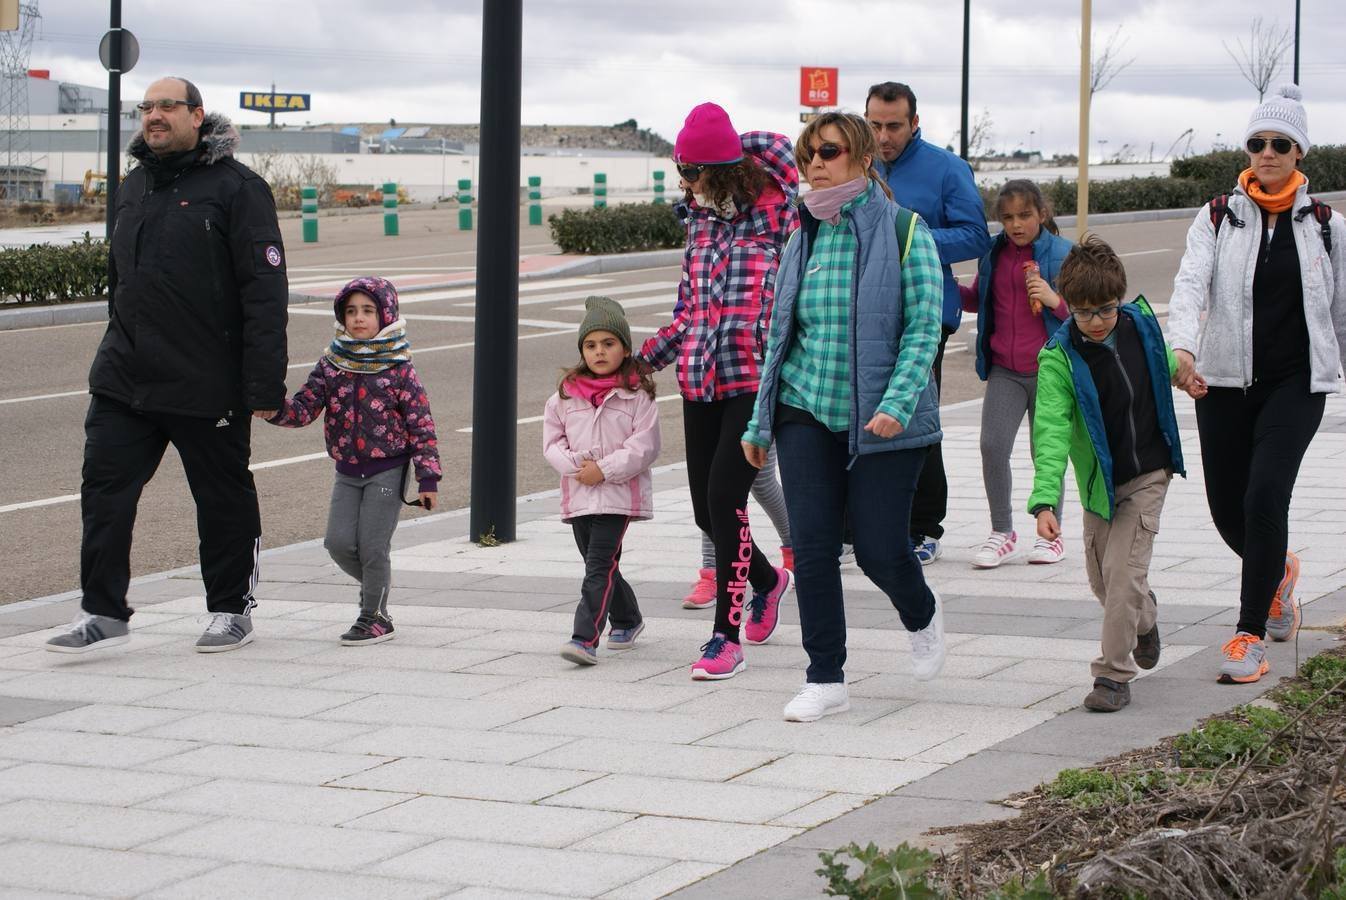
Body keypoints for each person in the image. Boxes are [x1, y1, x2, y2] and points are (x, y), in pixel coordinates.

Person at [47, 77, 288, 655]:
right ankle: (104, 612)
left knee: (222, 497)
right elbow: (123, 282)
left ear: (197, 115)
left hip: (207, 381)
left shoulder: (238, 189)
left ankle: (231, 609)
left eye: (167, 106)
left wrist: (263, 383)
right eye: (146, 107)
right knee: (104, 492)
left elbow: (265, 290)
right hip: (125, 378)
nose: (154, 116)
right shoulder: (134, 186)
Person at [743, 112, 946, 723]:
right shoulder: (801, 233)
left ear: (862, 159)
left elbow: (923, 326)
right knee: (812, 546)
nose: (814, 165)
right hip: (805, 412)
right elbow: (781, 337)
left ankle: (923, 613)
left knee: (882, 550)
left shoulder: (906, 230)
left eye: (827, 152)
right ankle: (825, 675)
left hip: (885, 421)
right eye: (807, 155)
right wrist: (760, 422)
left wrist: (896, 402)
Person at [1168, 84, 1346, 685]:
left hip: (1297, 384)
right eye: (1257, 143)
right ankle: (1279, 574)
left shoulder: (1327, 226)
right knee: (1226, 509)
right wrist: (1183, 350)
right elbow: (1192, 283)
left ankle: (1248, 636)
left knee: (1265, 496)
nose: (1266, 153)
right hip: (1221, 381)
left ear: (1299, 152)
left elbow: (1342, 313)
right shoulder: (1218, 216)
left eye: (1279, 143)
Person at [638, 102, 796, 680]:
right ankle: (767, 580)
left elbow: (782, 157)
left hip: (753, 382)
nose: (685, 183)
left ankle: (724, 639)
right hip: (700, 380)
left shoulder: (779, 215)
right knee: (708, 511)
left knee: (727, 498)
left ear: (721, 169)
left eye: (692, 171)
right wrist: (644, 361)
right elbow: (689, 312)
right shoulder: (697, 221)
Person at [1029, 235, 1203, 712]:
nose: (1097, 322)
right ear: (1069, 306)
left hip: (1149, 474)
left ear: (1119, 300)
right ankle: (1145, 619)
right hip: (1100, 487)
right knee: (1106, 584)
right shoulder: (1059, 359)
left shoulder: (1140, 328)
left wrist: (1184, 376)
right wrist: (1045, 499)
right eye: (1084, 313)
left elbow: (1161, 361)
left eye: (1106, 309)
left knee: (1122, 577)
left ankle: (1112, 676)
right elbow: (1050, 432)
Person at [260, 277, 440, 644]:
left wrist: (428, 480)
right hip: (347, 470)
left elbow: (421, 424)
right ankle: (380, 592)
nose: (359, 318)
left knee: (374, 547)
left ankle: (373, 616)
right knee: (339, 543)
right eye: (351, 311)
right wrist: (272, 410)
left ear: (385, 315)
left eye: (368, 311)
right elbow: (305, 407)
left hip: (387, 467)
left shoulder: (399, 368)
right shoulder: (332, 364)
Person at [866, 81, 992, 564]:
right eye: (874, 124)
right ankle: (863, 525)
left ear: (914, 123)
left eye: (894, 125)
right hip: (865, 312)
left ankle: (924, 526)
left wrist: (908, 238)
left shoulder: (946, 169)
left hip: (924, 312)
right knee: (860, 413)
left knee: (917, 417)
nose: (883, 136)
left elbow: (975, 236)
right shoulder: (857, 164)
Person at [959, 180, 1073, 568]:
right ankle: (1002, 531)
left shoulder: (1063, 253)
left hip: (1050, 370)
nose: (1016, 224)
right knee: (992, 446)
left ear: (1042, 213)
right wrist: (943, 281)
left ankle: (1050, 534)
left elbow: (1089, 313)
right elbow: (977, 299)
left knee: (1047, 453)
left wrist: (1053, 298)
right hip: (1005, 370)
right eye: (1007, 218)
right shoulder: (993, 253)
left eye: (1024, 215)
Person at [545, 297, 661, 664]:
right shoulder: (563, 396)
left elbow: (645, 446)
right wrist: (576, 465)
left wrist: (605, 470)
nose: (599, 352)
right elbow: (552, 443)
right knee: (602, 564)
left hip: (618, 495)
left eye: (608, 344)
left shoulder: (637, 396)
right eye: (591, 345)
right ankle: (627, 617)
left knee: (598, 564)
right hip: (579, 493)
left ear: (625, 348)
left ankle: (584, 639)